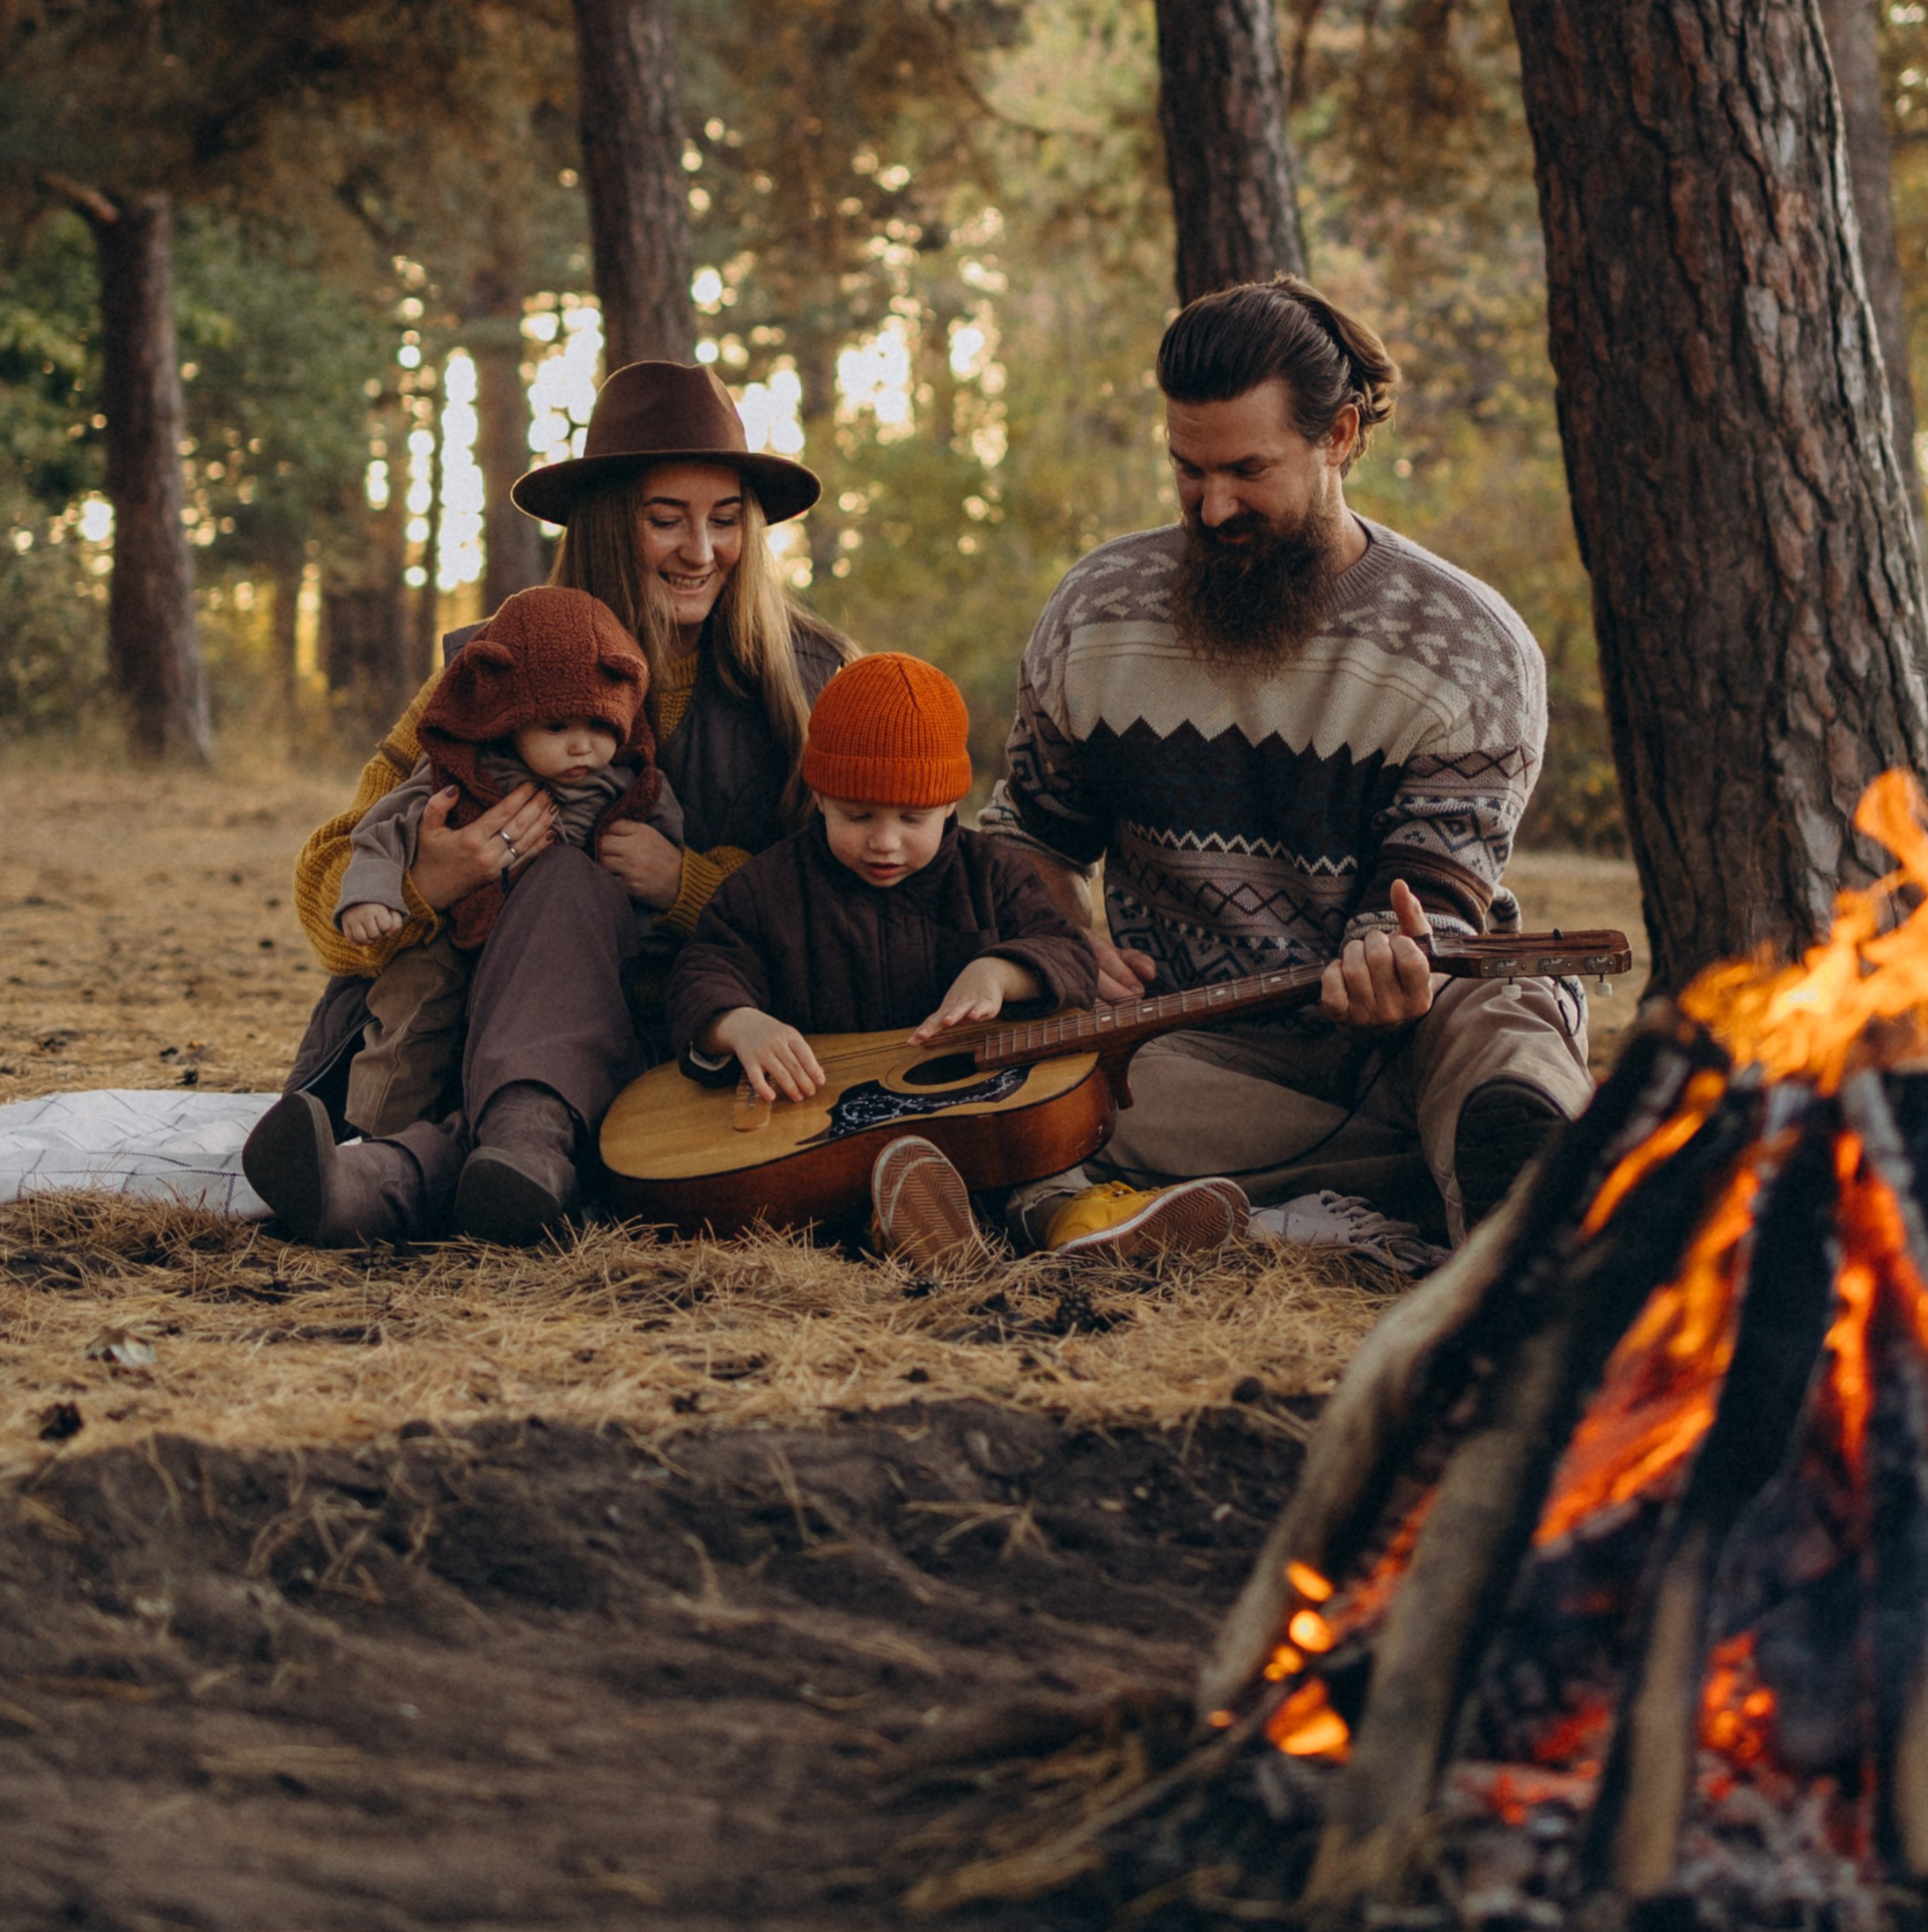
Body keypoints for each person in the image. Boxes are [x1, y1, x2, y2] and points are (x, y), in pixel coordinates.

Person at [981, 276, 1593, 1252]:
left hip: (1416, 1022)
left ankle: (1458, 1167)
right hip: (1189, 1048)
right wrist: (1059, 938)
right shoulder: (1094, 614)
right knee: (1101, 1099)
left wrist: (1399, 956)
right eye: (1187, 468)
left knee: (1499, 1041)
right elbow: (1031, 835)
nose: (1212, 504)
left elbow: (1432, 891)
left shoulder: (1470, 645)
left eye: (1247, 470)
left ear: (1340, 435)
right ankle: (1459, 1191)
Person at [259, 361, 843, 1245]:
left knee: (572, 888)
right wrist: (429, 882)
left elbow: (853, 897)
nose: (701, 550)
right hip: (465, 1029)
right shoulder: (492, 669)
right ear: (610, 524)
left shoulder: (806, 681)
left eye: (725, 521)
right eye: (665, 520)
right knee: (554, 920)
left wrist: (683, 883)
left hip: (689, 1044)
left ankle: (376, 1184)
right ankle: (505, 1164)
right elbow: (329, 892)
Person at [662, 652, 1247, 1265]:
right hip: (833, 1145)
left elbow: (1069, 952)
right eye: (857, 815)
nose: (884, 841)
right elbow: (703, 968)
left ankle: (1083, 1228)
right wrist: (739, 1023)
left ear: (949, 804)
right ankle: (909, 1227)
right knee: (868, 1186)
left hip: (985, 1127)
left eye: (912, 818)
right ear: (819, 795)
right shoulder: (769, 890)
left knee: (1038, 1171)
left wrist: (1000, 971)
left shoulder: (992, 875)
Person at [305, 585, 684, 1146]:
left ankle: (516, 1141)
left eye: (600, 727)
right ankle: (376, 1138)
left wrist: (675, 883)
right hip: (452, 937)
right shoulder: (465, 770)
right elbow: (377, 831)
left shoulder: (630, 786)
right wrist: (386, 894)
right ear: (510, 722)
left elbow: (676, 863)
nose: (582, 747)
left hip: (559, 966)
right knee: (411, 1018)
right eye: (557, 728)